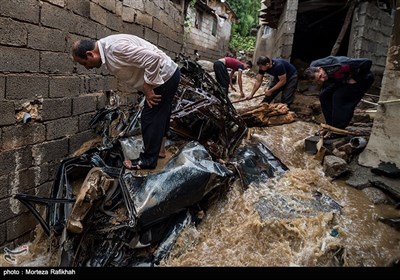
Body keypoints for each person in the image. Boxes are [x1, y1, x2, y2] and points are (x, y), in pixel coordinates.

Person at [72, 34, 181, 170]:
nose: (87, 67)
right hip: (169, 74)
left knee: (150, 117)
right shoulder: (107, 49)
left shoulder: (115, 48)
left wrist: (148, 86)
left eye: (85, 63)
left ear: (90, 54)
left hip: (165, 77)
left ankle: (147, 161)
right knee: (161, 113)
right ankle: (160, 151)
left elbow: (153, 58)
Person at [303, 56, 374, 136]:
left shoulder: (342, 64)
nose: (322, 80)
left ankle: (338, 129)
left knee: (338, 97)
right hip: (342, 79)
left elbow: (367, 62)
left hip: (362, 78)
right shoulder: (313, 66)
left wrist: (356, 78)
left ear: (320, 69)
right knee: (324, 95)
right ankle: (331, 125)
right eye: (318, 80)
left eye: (320, 76)